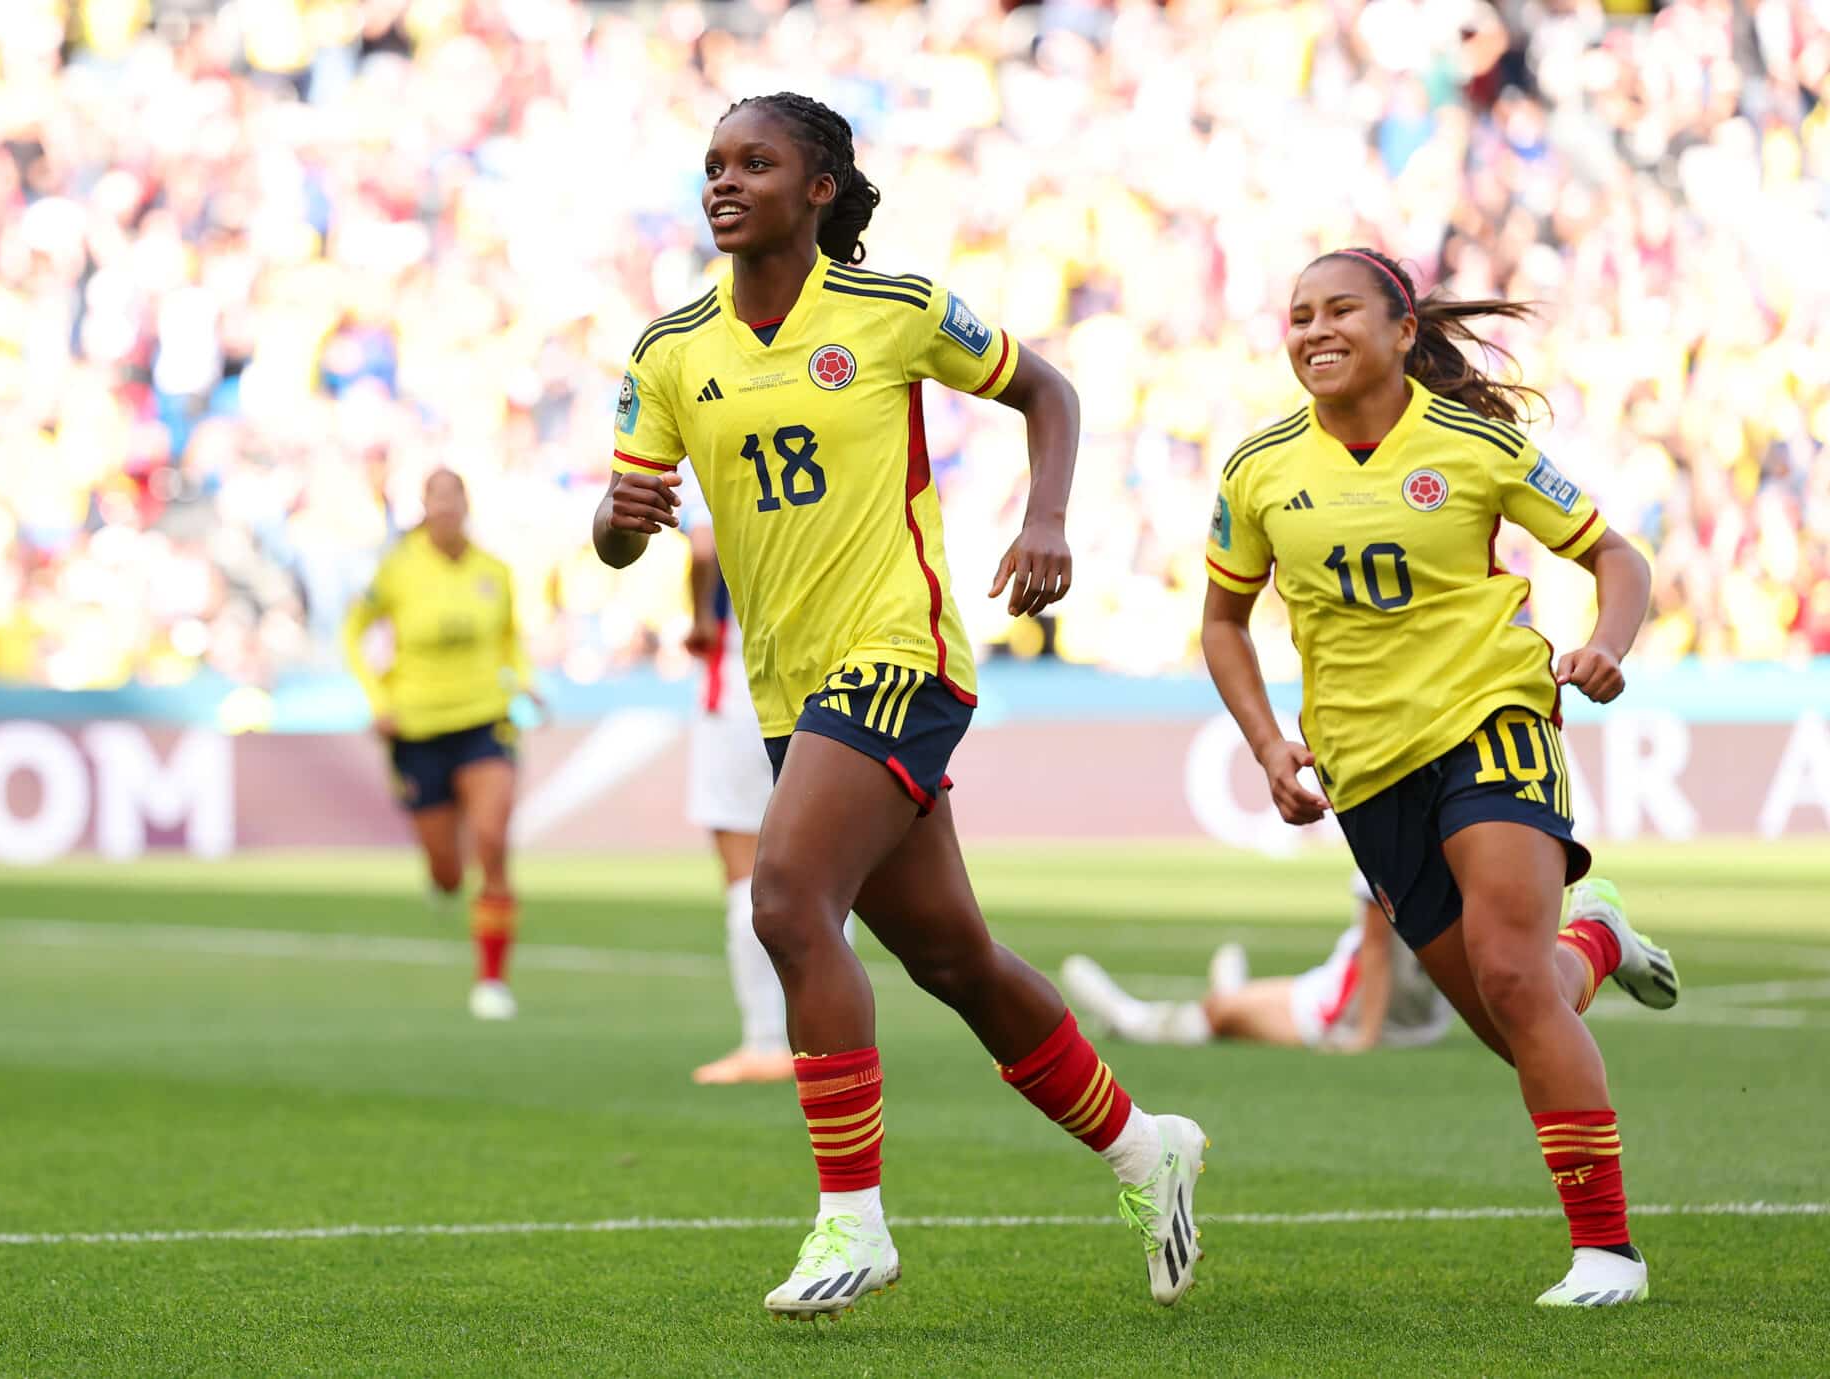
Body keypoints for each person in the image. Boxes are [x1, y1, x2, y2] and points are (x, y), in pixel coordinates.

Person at [593, 92, 1208, 1319]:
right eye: (713, 164)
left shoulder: (894, 310)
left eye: (753, 162)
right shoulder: (669, 350)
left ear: (817, 187)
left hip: (897, 655)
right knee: (951, 956)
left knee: (784, 898)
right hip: (787, 685)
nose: (723, 181)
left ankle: (851, 1219)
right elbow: (620, 533)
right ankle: (1149, 1148)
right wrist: (617, 525)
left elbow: (1050, 393)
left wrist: (1044, 519)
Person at [1201, 246, 1679, 1307]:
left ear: (1401, 328)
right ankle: (1594, 934)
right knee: (1517, 1008)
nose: (1313, 330)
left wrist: (1606, 642)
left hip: (1489, 720)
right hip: (1366, 771)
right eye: (1296, 315)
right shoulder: (1257, 468)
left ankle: (1606, 1252)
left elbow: (1616, 556)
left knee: (1513, 977)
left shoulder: (1473, 445)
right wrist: (1267, 743)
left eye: (1337, 311)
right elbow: (1221, 622)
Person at [344, 469, 539, 1022]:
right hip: (418, 729)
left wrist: (523, 680)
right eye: (436, 500)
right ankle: (443, 868)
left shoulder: (493, 571)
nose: (446, 509)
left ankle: (493, 982)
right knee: (449, 872)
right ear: (424, 508)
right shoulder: (398, 570)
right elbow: (353, 631)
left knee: (493, 839)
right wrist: (377, 699)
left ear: (466, 506)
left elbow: (509, 636)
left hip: (484, 722)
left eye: (455, 499)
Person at [1062, 873, 1454, 1051]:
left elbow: (1375, 948)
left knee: (1222, 1013)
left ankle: (1131, 1019)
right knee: (1236, 1007)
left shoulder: (1391, 827)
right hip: (1418, 1014)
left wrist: (1365, 1038)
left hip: (1348, 1011)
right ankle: (1233, 992)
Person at [678, 471, 792, 1085]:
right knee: (825, 866)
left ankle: (766, 1040)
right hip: (826, 668)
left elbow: (701, 545)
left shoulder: (714, 436)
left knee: (743, 867)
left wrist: (700, 615)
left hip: (745, 676)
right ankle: (828, 1038)